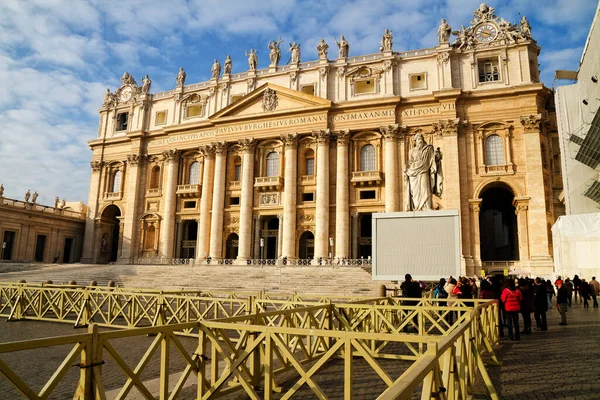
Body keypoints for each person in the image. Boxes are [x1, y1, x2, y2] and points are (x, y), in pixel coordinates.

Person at [404, 134, 443, 211]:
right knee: (415, 192)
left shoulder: (428, 149)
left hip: (424, 172)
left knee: (425, 188)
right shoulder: (411, 152)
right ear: (415, 141)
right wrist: (407, 169)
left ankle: (427, 207)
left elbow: (432, 159)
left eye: (421, 139)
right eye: (418, 139)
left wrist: (437, 157)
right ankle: (417, 207)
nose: (420, 140)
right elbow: (410, 162)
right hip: (413, 174)